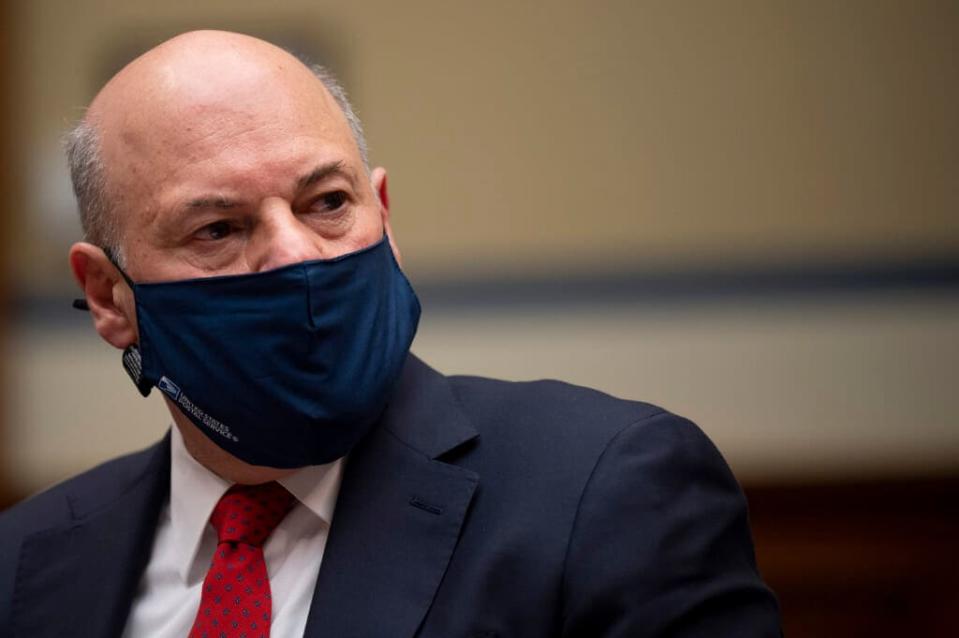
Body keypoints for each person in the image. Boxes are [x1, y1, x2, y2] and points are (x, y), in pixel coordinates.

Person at [0, 30, 781, 637]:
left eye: (327, 203)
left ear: (385, 215)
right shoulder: (23, 564)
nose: (296, 253)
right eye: (218, 228)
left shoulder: (613, 491)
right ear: (109, 296)